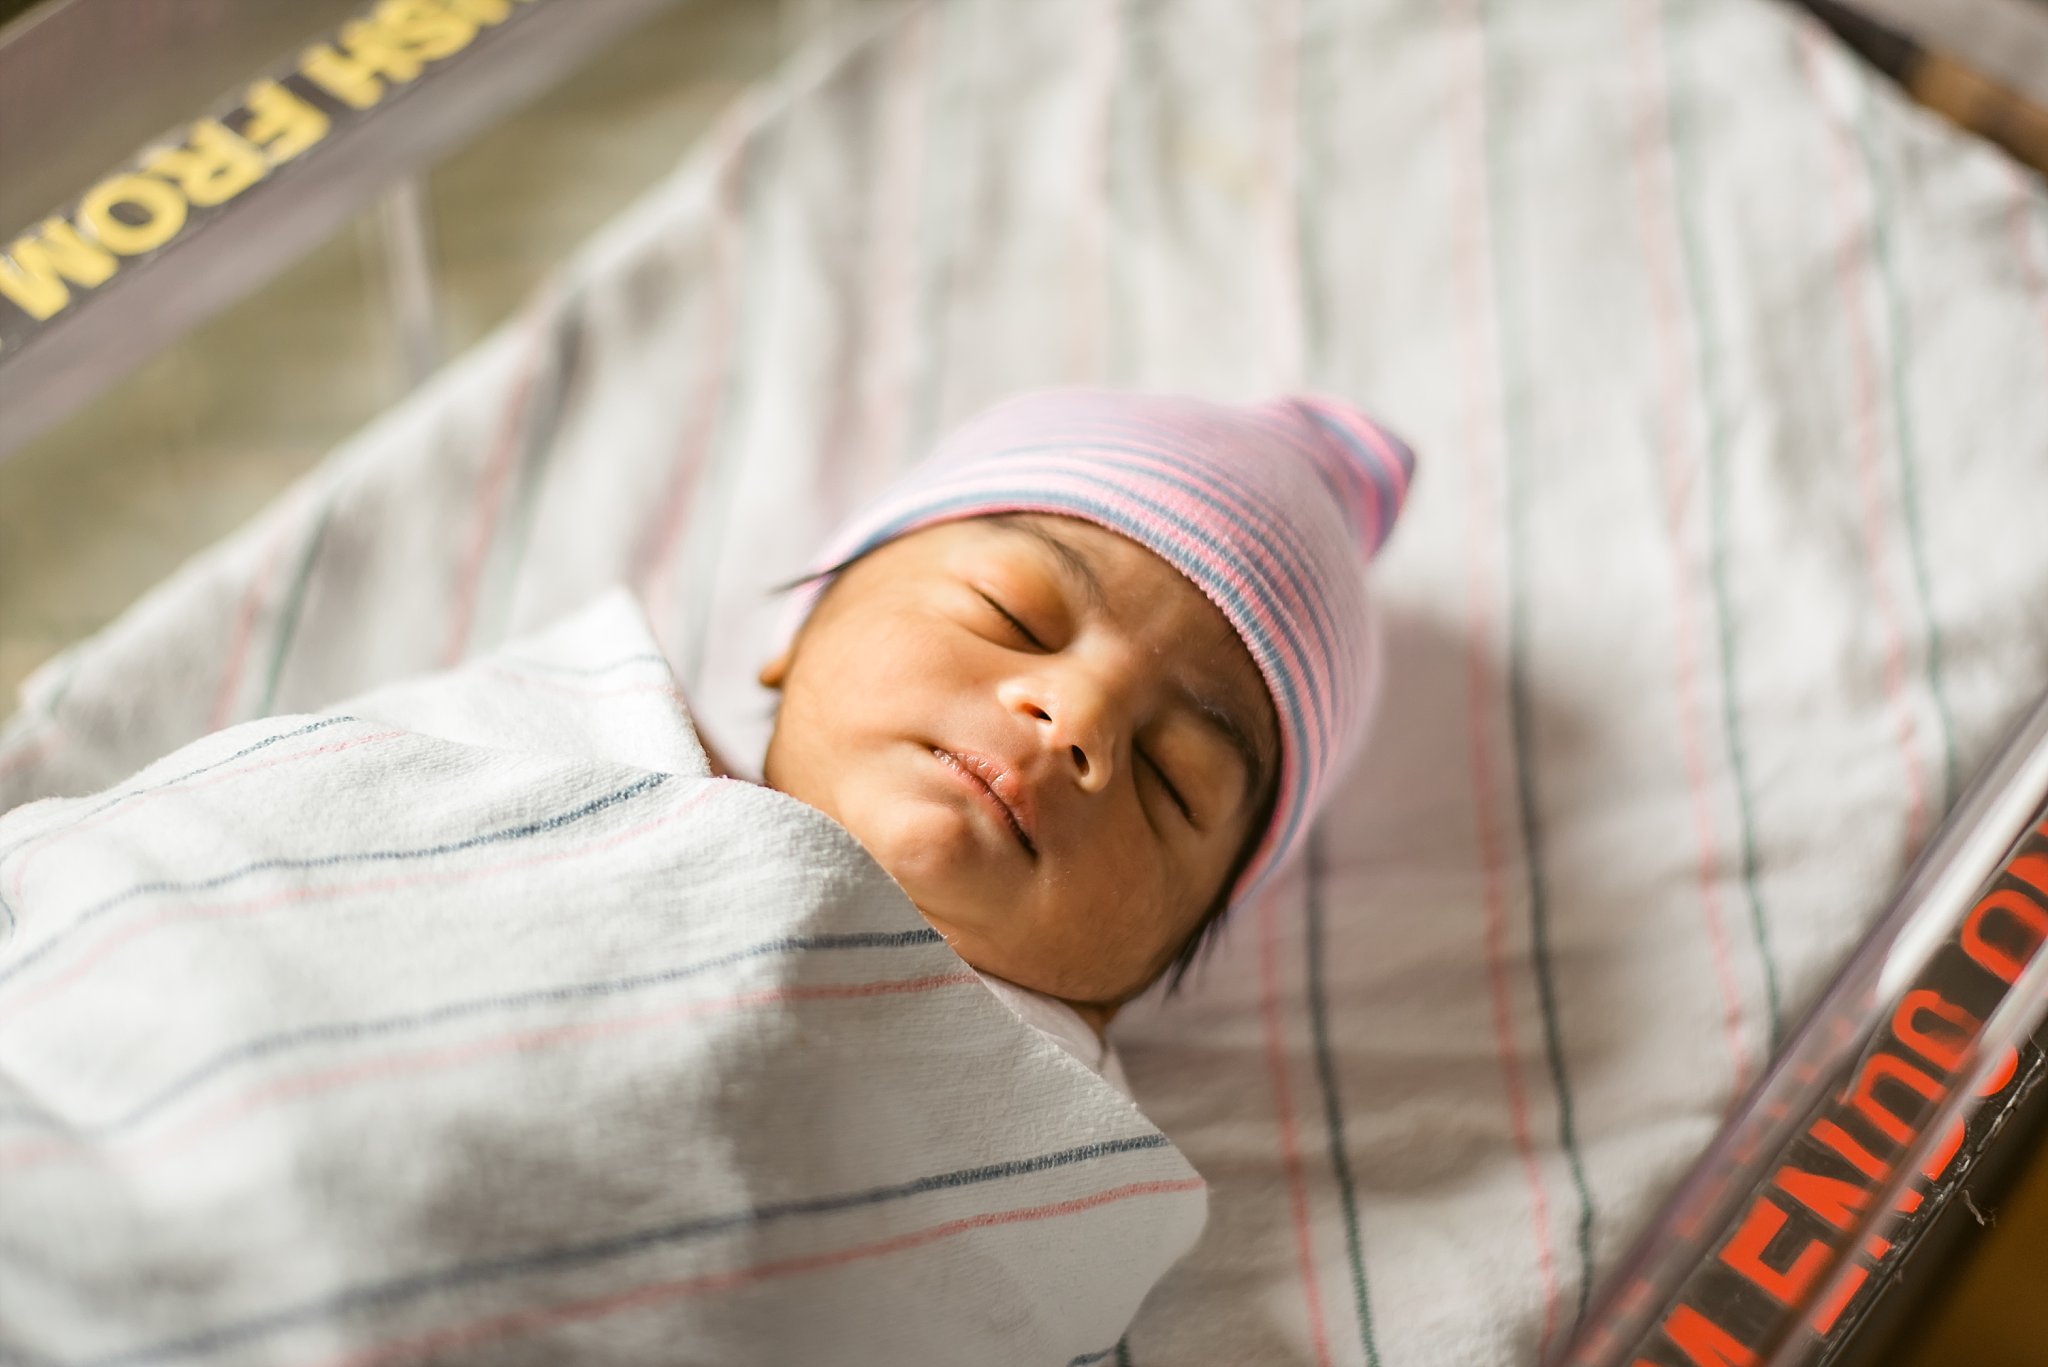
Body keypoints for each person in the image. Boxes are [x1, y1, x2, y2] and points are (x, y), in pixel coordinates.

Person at [753, 388, 1413, 1054]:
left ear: (1131, 984)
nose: (1077, 716)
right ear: (801, 634)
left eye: (1172, 776)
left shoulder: (1069, 1127)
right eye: (1010, 614)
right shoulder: (647, 744)